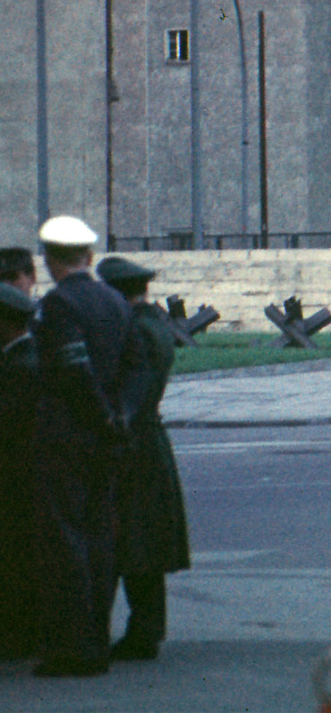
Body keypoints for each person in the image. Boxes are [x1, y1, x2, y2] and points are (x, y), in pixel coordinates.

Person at [32, 216, 131, 677]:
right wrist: (119, 416)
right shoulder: (114, 300)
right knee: (99, 538)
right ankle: (98, 639)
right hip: (107, 437)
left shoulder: (58, 303)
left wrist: (100, 415)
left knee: (65, 541)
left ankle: (75, 647)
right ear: (88, 257)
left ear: (51, 261)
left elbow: (73, 368)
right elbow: (138, 366)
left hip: (68, 434)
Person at [97, 256, 190, 662]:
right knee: (143, 542)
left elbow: (130, 387)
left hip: (134, 442)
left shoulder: (135, 330)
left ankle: (141, 633)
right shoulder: (154, 323)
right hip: (148, 439)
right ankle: (145, 630)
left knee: (130, 540)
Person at [0, 282, 40, 659]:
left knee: (15, 561)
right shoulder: (20, 359)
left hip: (17, 480)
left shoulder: (21, 366)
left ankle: (17, 637)